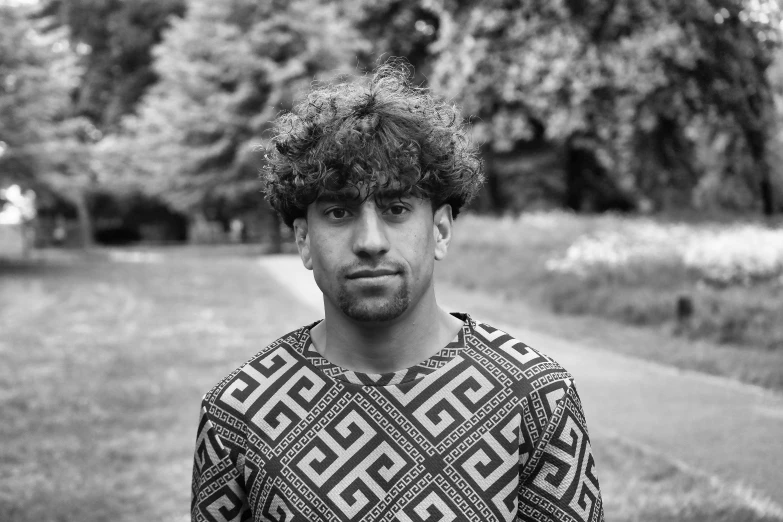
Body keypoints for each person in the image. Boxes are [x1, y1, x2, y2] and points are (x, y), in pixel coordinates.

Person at [191, 63, 604, 522]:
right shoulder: (240, 411)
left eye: (396, 208)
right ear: (303, 240)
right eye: (338, 213)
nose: (371, 241)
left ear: (441, 229)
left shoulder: (535, 398)